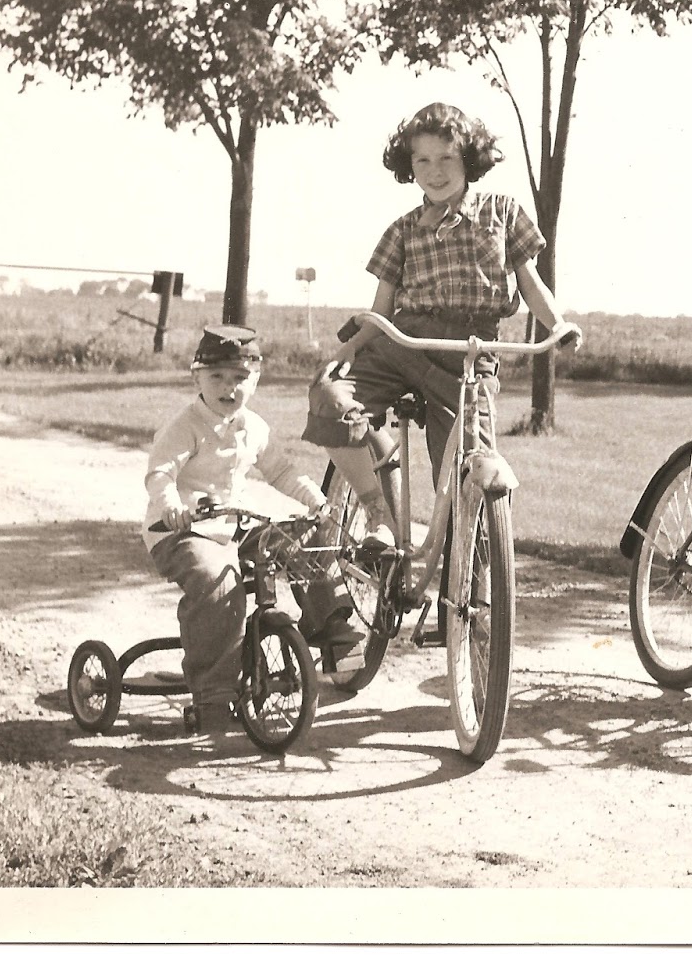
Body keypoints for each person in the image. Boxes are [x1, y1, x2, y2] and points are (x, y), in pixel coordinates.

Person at [303, 102, 578, 547]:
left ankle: (473, 594)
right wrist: (350, 349)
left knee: (467, 469)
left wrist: (558, 325)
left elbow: (530, 285)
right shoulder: (402, 230)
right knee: (330, 398)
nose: (435, 171)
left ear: (467, 158)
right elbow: (382, 309)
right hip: (402, 342)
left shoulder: (502, 211)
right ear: (409, 166)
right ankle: (379, 515)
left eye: (446, 158)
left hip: (469, 357)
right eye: (422, 160)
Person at [144, 325, 356, 737]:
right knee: (219, 583)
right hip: (182, 532)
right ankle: (214, 696)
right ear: (197, 379)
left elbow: (280, 470)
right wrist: (172, 507)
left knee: (306, 540)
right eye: (217, 377)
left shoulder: (253, 427)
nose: (229, 388)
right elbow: (160, 473)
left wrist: (317, 501)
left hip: (234, 527)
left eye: (240, 378)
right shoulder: (184, 426)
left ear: (255, 381)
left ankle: (331, 627)